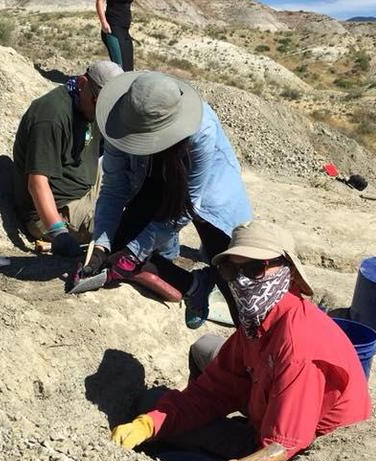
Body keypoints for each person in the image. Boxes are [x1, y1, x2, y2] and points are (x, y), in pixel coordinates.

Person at [110, 221, 373, 461]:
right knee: (154, 406)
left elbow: (277, 450)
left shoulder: (297, 347)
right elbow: (212, 391)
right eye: (230, 269)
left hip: (302, 450)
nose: (242, 279)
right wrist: (151, 423)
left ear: (287, 270)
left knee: (182, 459)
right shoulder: (258, 324)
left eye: (255, 268)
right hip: (269, 409)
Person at [80, 71, 253, 328]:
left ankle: (248, 335)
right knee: (118, 246)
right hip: (152, 175)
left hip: (206, 190)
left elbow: (187, 205)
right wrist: (101, 245)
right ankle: (195, 285)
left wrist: (135, 251)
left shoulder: (199, 131)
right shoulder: (119, 120)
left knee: (235, 277)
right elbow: (114, 187)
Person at [12, 60, 123, 256]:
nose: (101, 112)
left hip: (86, 187)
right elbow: (37, 183)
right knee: (124, 227)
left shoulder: (90, 106)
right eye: (98, 103)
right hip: (59, 209)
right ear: (81, 84)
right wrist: (59, 233)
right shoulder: (51, 117)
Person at [96, 0, 134, 72]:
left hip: (125, 30)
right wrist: (104, 22)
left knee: (129, 68)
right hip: (113, 29)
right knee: (121, 68)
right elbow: (99, 2)